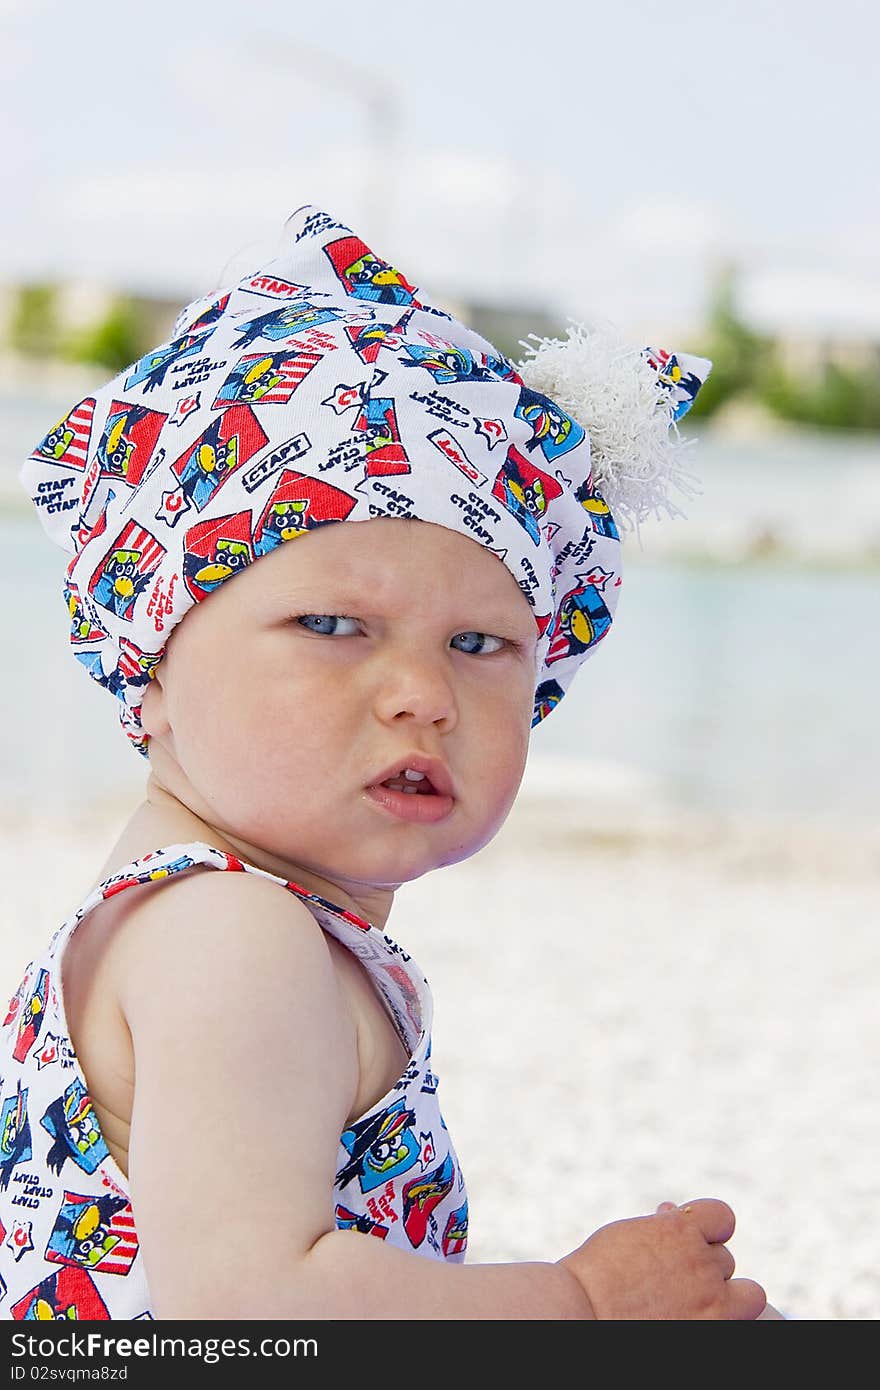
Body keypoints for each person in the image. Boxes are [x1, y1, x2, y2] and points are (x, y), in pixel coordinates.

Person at [2, 205, 779, 1320]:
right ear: (153, 664)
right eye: (331, 626)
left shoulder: (225, 905)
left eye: (478, 645)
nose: (423, 691)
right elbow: (246, 1307)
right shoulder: (231, 935)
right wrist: (578, 1303)